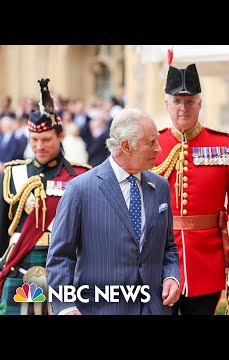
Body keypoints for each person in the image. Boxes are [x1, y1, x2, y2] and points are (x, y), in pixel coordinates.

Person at [46, 106, 180, 315]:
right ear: (126, 146)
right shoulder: (80, 189)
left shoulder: (160, 187)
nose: (159, 149)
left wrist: (171, 276)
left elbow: (168, 247)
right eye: (151, 142)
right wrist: (65, 306)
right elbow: (60, 257)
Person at [151, 63, 229, 315]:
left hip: (207, 262)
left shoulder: (224, 145)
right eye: (177, 101)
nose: (184, 107)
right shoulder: (153, 144)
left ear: (200, 104)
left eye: (190, 101)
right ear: (166, 104)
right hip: (158, 260)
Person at [0, 78, 91, 315]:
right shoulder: (14, 173)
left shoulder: (79, 176)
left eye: (46, 140)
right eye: (34, 140)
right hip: (20, 263)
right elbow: (2, 228)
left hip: (63, 267)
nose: (39, 146)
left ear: (60, 137)